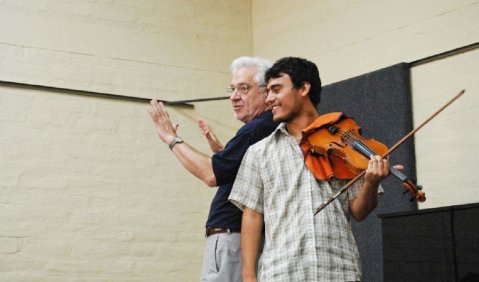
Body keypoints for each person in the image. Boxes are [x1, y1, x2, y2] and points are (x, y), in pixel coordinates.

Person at [229, 57, 392, 281]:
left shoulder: (346, 144)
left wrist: (372, 183)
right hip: (281, 273)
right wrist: (248, 276)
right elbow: (252, 215)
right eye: (267, 92)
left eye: (276, 90)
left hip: (338, 271)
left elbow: (359, 211)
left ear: (304, 88)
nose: (269, 99)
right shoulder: (259, 152)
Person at [147, 56, 279, 282]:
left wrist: (171, 138)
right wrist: (223, 153)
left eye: (244, 89)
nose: (234, 97)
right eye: (232, 89)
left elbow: (210, 174)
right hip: (240, 241)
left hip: (233, 241)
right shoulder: (264, 128)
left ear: (266, 93)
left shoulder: (257, 128)